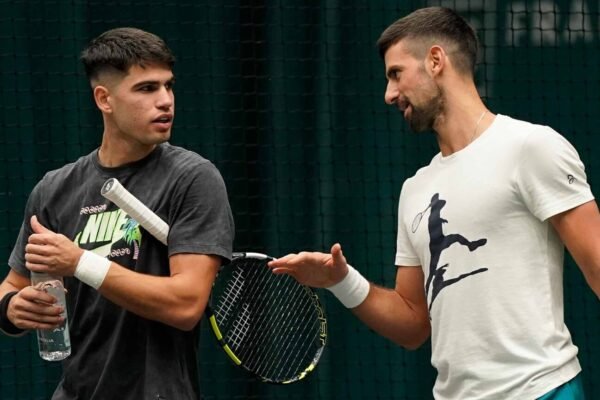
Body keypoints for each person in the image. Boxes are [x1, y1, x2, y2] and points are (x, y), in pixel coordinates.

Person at [268, 7, 599, 400]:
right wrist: (340, 280)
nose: (388, 94)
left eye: (396, 74)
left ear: (436, 60)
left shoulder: (531, 147)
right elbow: (412, 326)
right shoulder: (415, 189)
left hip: (543, 391)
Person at [0, 27, 234, 399]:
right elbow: (13, 284)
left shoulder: (193, 178)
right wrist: (12, 308)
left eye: (168, 86)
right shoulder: (54, 188)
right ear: (104, 99)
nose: (165, 101)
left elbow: (187, 303)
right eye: (146, 89)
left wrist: (80, 263)